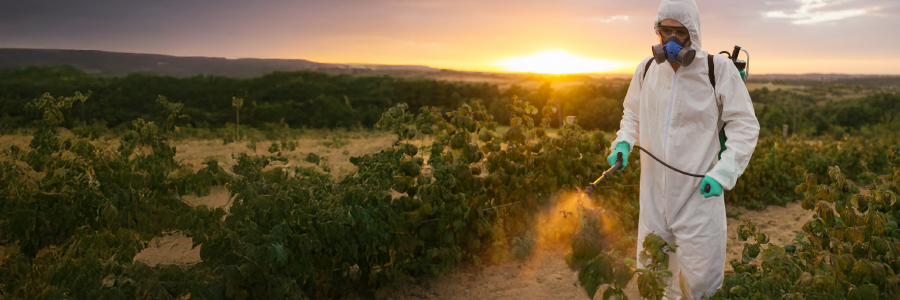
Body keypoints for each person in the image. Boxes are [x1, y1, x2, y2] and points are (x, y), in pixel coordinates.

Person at [606, 0, 760, 298]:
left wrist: (723, 173)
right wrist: (623, 140)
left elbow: (744, 126)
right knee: (653, 276)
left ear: (693, 34)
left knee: (700, 284)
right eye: (666, 31)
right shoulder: (648, 68)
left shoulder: (718, 70)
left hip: (698, 197)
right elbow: (632, 114)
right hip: (653, 196)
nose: (673, 40)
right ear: (657, 32)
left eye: (681, 32)